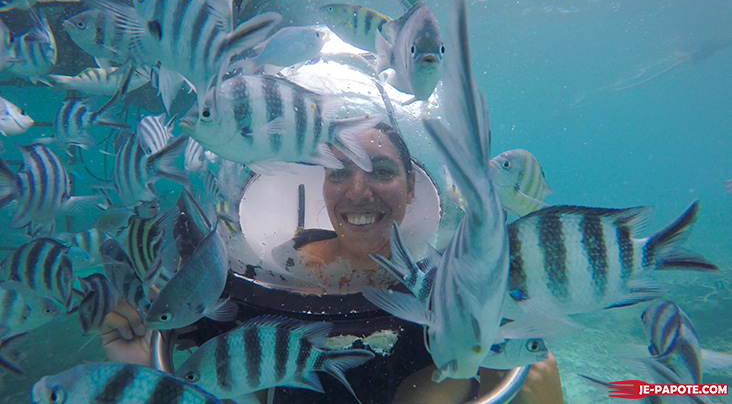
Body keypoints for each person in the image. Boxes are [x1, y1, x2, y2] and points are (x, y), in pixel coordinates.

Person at [101, 122, 564, 404]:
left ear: (412, 190)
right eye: (339, 172)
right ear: (322, 186)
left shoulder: (452, 286)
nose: (357, 191)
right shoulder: (269, 269)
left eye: (381, 171)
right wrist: (139, 370)